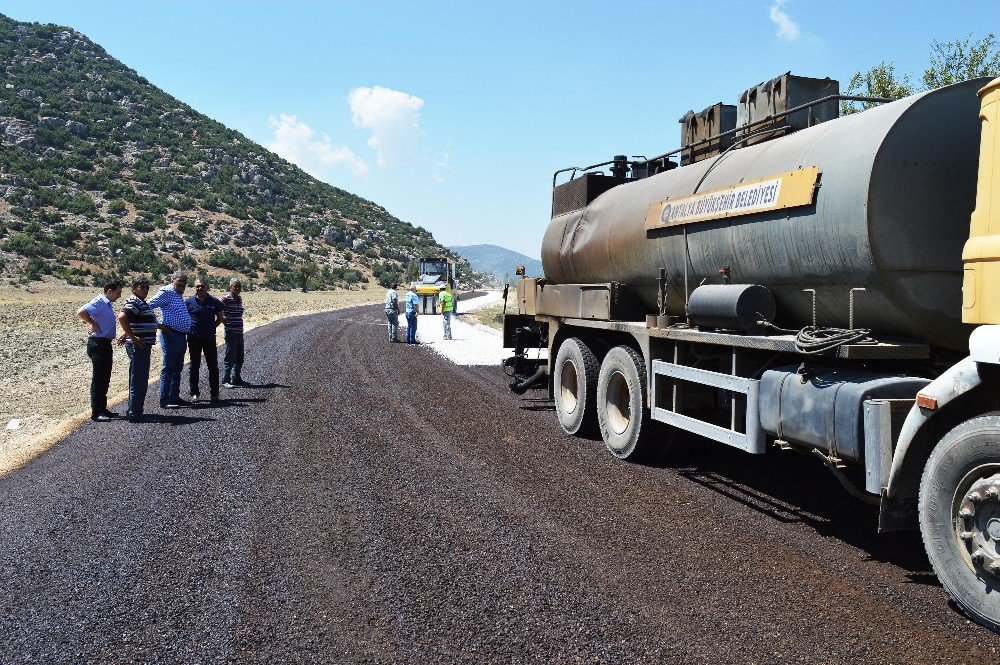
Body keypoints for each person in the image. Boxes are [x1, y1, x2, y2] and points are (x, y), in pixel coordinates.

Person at [76, 280, 123, 422]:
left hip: (104, 343)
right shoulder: (99, 301)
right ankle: (96, 412)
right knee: (99, 378)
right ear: (109, 291)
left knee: (104, 377)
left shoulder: (104, 303)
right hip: (98, 343)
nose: (119, 296)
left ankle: (103, 408)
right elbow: (81, 312)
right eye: (118, 292)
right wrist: (93, 323)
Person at [148, 271, 194, 409]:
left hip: (181, 335)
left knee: (177, 368)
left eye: (184, 282)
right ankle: (165, 400)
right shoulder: (167, 292)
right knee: (168, 368)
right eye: (179, 281)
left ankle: (174, 397)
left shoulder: (178, 294)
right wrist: (157, 324)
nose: (181, 284)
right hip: (170, 335)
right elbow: (147, 306)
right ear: (172, 280)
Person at [117, 276, 158, 422]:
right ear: (134, 288)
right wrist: (133, 337)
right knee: (138, 379)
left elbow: (132, 319)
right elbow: (122, 317)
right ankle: (134, 413)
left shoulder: (140, 302)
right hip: (138, 345)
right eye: (142, 287)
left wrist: (127, 333)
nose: (145, 290)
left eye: (147, 287)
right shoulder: (134, 301)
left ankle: (135, 410)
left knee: (139, 377)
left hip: (142, 345)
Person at [185, 277, 225, 402]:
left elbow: (220, 318)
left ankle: (215, 394)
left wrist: (212, 327)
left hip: (209, 338)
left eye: (202, 286)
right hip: (193, 338)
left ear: (207, 287)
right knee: (194, 366)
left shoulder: (214, 302)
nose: (200, 288)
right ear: (194, 288)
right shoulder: (188, 302)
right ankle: (194, 393)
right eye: (197, 286)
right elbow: (185, 318)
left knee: (212, 366)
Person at [221, 278, 246, 388]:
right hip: (231, 332)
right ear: (230, 287)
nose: (237, 288)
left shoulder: (239, 299)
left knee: (240, 356)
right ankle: (226, 380)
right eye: (235, 286)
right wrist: (224, 319)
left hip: (239, 331)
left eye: (239, 286)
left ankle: (236, 378)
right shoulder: (225, 299)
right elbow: (219, 312)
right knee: (230, 356)